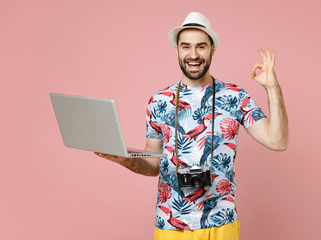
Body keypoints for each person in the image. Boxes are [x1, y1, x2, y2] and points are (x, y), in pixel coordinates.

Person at [95, 12, 288, 240]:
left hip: (221, 221)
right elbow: (152, 165)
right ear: (177, 50)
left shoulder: (235, 96)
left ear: (212, 49)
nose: (193, 54)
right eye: (186, 47)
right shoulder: (159, 101)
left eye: (201, 47)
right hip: (170, 225)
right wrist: (125, 159)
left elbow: (278, 141)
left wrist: (272, 88)